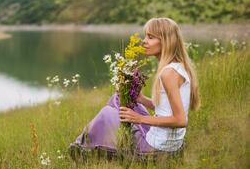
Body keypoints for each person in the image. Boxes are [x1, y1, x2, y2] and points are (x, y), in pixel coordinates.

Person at [69, 17, 200, 157]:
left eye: (150, 37)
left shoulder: (168, 74)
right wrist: (141, 98)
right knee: (118, 98)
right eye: (145, 36)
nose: (144, 41)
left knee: (107, 113)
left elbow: (180, 120)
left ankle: (81, 149)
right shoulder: (178, 67)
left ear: (166, 41)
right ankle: (97, 143)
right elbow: (166, 110)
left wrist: (138, 119)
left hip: (156, 148)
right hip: (167, 142)